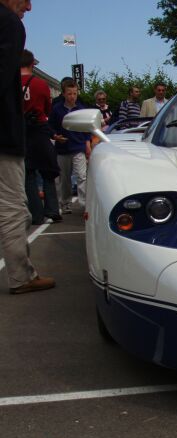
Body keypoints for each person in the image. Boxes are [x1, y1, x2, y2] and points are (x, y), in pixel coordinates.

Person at [0, 0, 55, 295]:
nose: (30, 7)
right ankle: (21, 276)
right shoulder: (8, 23)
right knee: (13, 209)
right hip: (4, 138)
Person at [20, 49, 61, 224]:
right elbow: (47, 110)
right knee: (48, 172)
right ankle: (52, 209)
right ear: (32, 64)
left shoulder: (8, 83)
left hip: (20, 132)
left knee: (28, 175)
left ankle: (36, 213)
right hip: (39, 130)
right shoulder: (40, 84)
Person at [48, 79, 91, 214]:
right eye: (69, 94)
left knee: (81, 176)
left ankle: (84, 203)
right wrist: (55, 136)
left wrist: (88, 144)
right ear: (64, 94)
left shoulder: (81, 109)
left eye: (74, 93)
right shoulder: (57, 109)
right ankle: (66, 203)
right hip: (63, 148)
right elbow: (50, 126)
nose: (72, 96)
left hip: (78, 146)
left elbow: (87, 128)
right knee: (65, 178)